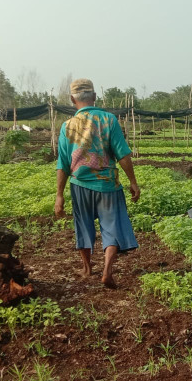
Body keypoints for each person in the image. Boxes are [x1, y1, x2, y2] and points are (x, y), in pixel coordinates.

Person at [54, 78, 140, 288]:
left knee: (83, 227)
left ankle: (87, 268)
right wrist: (133, 182)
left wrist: (59, 195)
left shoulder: (67, 126)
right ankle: (107, 271)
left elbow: (63, 164)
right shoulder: (109, 120)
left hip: (80, 186)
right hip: (108, 185)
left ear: (72, 99)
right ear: (94, 97)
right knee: (111, 228)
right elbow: (123, 155)